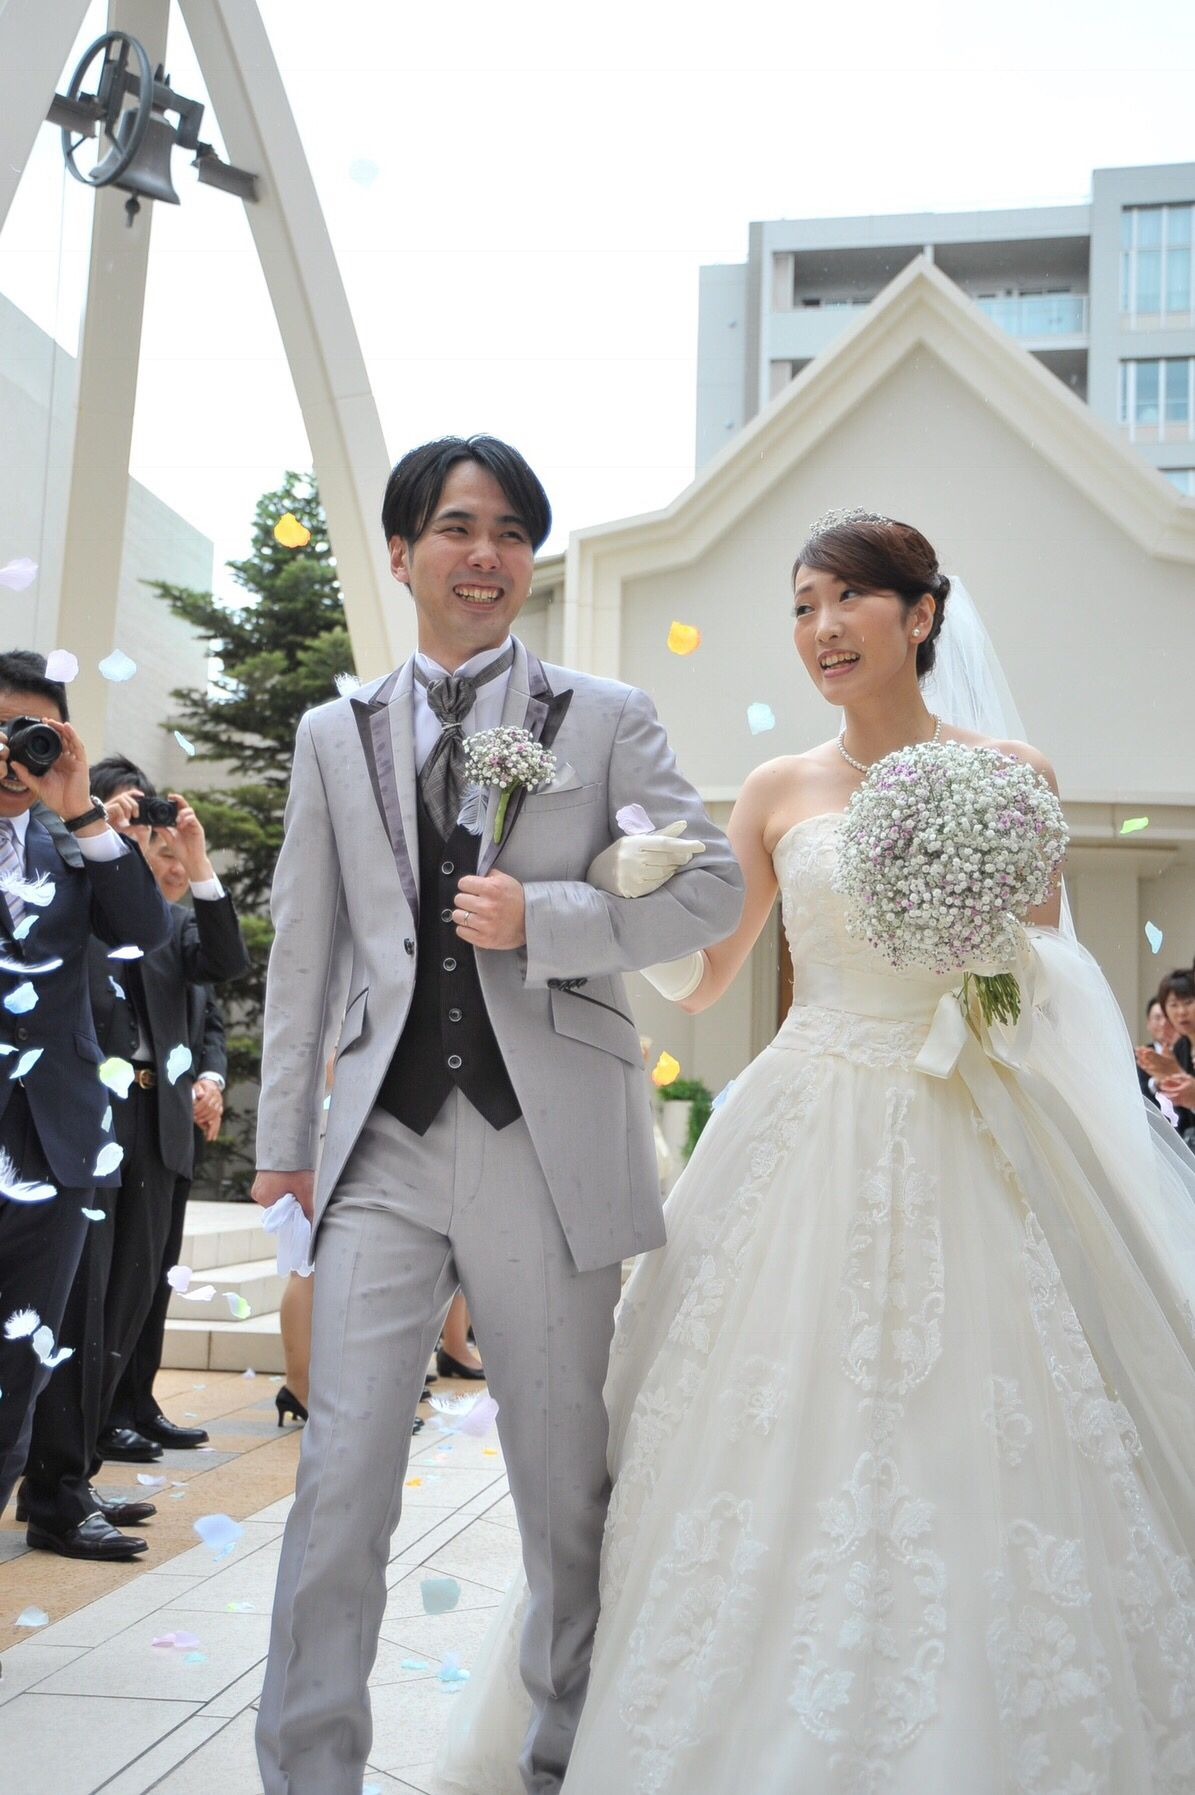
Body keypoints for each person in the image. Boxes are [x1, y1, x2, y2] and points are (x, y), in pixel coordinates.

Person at [436, 511, 1195, 1793]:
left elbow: (1051, 979)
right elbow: (707, 974)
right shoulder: (778, 789)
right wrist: (627, 899)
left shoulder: (1012, 774)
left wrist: (984, 955)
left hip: (968, 1111)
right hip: (804, 1114)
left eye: (848, 599)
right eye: (801, 606)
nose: (822, 629)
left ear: (921, 614)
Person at [251, 434, 744, 1795]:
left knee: (561, 1480)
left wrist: (551, 915)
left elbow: (707, 887)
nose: (486, 555)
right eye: (459, 528)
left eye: (513, 532)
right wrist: (283, 1142)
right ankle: (308, 1771)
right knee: (339, 1473)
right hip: (382, 1144)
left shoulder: (605, 715)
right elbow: (307, 945)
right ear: (402, 551)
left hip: (546, 1143)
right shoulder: (332, 733)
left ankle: (561, 1761)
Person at [0, 652, 172, 1553]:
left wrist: (78, 805)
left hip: (56, 1139)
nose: (13, 752)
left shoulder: (71, 840)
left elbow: (145, 929)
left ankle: (42, 1491)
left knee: (20, 1365)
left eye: (32, 732)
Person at [58, 756, 248, 1479]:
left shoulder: (169, 921)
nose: (140, 831)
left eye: (143, 817)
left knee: (139, 1279)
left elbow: (224, 960)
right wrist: (99, 843)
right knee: (87, 1286)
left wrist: (196, 859)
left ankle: (103, 1428)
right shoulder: (71, 904)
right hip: (89, 1114)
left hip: (156, 1116)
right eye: (125, 814)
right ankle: (74, 1450)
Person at [101, 821, 233, 1449]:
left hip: (168, 1117)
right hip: (113, 1110)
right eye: (163, 853)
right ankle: (100, 1414)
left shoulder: (182, 926)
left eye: (184, 856)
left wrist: (211, 1078)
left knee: (152, 1271)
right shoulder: (105, 920)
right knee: (114, 1276)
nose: (176, 866)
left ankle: (135, 1402)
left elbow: (212, 1016)